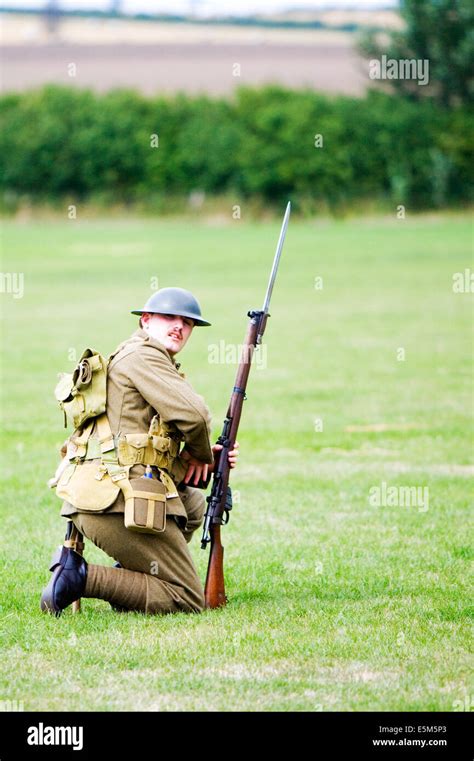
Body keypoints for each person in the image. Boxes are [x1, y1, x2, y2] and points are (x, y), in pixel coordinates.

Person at [41, 287, 239, 616]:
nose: (179, 326)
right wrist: (202, 455)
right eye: (168, 317)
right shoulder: (144, 355)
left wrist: (203, 457)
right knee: (187, 598)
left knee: (192, 506)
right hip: (112, 501)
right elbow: (196, 417)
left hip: (101, 493)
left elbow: (144, 448)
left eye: (187, 322)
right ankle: (80, 578)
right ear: (146, 321)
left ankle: (130, 584)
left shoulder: (138, 354)